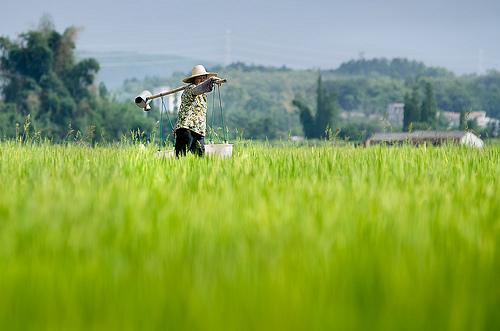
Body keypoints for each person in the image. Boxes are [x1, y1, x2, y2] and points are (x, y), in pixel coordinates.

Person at [174, 65, 223, 157]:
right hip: (186, 129)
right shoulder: (190, 89)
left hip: (199, 131)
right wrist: (211, 80)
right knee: (180, 157)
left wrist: (210, 81)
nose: (202, 80)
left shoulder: (203, 95)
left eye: (204, 78)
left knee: (201, 159)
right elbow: (200, 88)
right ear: (194, 80)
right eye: (199, 78)